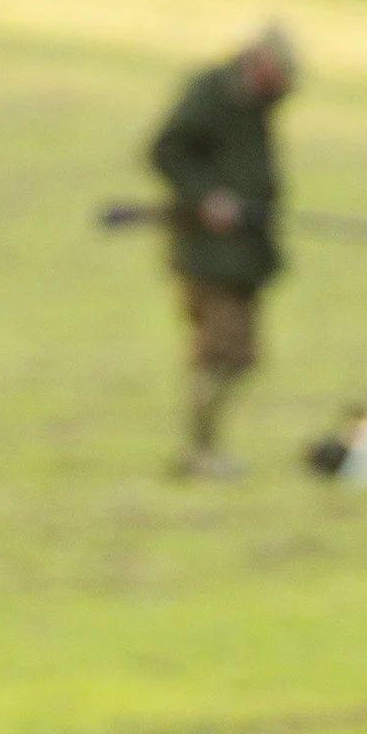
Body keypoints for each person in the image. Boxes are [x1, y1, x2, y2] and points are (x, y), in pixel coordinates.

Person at [148, 24, 296, 478]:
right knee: (221, 353)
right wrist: (207, 197)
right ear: (255, 60)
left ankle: (203, 447)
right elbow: (165, 150)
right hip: (210, 253)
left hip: (243, 252)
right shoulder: (213, 93)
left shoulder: (256, 103)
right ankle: (199, 451)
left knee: (238, 357)